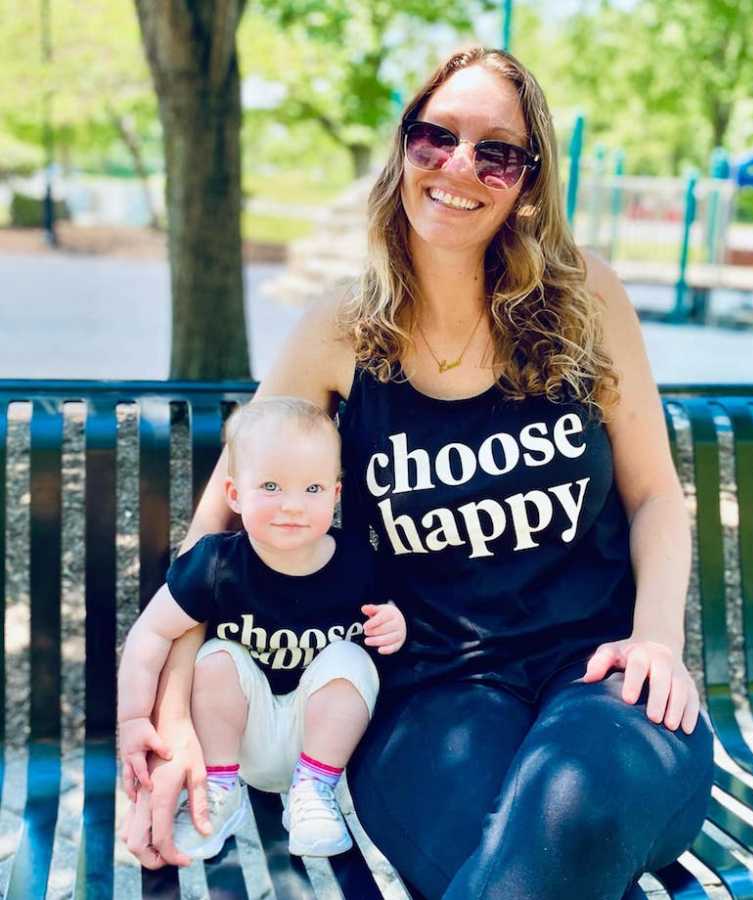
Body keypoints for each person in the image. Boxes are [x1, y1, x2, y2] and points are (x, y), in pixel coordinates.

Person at [122, 46, 714, 898]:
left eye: (496, 151)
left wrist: (657, 639)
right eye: (435, 137)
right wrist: (175, 717)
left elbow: (655, 494)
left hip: (599, 675)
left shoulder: (587, 298)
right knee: (535, 867)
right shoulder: (342, 331)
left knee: (571, 815)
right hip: (427, 699)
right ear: (403, 149)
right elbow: (222, 517)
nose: (458, 166)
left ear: (529, 181)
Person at [117, 397, 407, 860]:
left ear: (335, 495)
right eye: (271, 486)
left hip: (324, 742)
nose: (292, 506)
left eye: (311, 489)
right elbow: (151, 632)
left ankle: (314, 795)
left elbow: (390, 616)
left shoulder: (357, 561)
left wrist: (394, 622)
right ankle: (218, 793)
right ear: (234, 495)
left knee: (350, 661)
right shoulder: (216, 562)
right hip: (239, 739)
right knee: (215, 658)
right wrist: (134, 719)